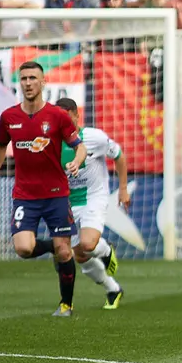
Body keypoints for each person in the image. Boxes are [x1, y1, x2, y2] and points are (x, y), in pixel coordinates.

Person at [0, 61, 87, 317]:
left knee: (65, 250)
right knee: (23, 249)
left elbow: (79, 145)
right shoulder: (9, 117)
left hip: (56, 194)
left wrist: (76, 161)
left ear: (43, 83)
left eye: (33, 78)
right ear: (19, 83)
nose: (28, 83)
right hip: (25, 196)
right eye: (24, 79)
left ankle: (66, 304)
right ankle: (55, 247)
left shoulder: (57, 116)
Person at [56, 98, 128, 310]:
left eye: (68, 119)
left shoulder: (94, 138)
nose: (65, 125)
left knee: (88, 244)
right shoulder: (51, 143)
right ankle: (113, 289)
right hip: (67, 202)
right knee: (79, 255)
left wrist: (123, 188)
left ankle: (105, 251)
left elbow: (119, 155)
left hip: (93, 197)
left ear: (77, 116)